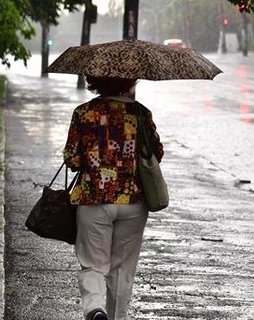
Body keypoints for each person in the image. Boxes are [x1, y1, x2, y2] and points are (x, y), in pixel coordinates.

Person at [63, 76, 164, 320]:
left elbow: (73, 161)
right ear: (129, 81)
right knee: (122, 272)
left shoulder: (84, 113)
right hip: (133, 202)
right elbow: (156, 154)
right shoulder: (141, 114)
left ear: (95, 81)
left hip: (93, 201)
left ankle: (95, 309)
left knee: (93, 265)